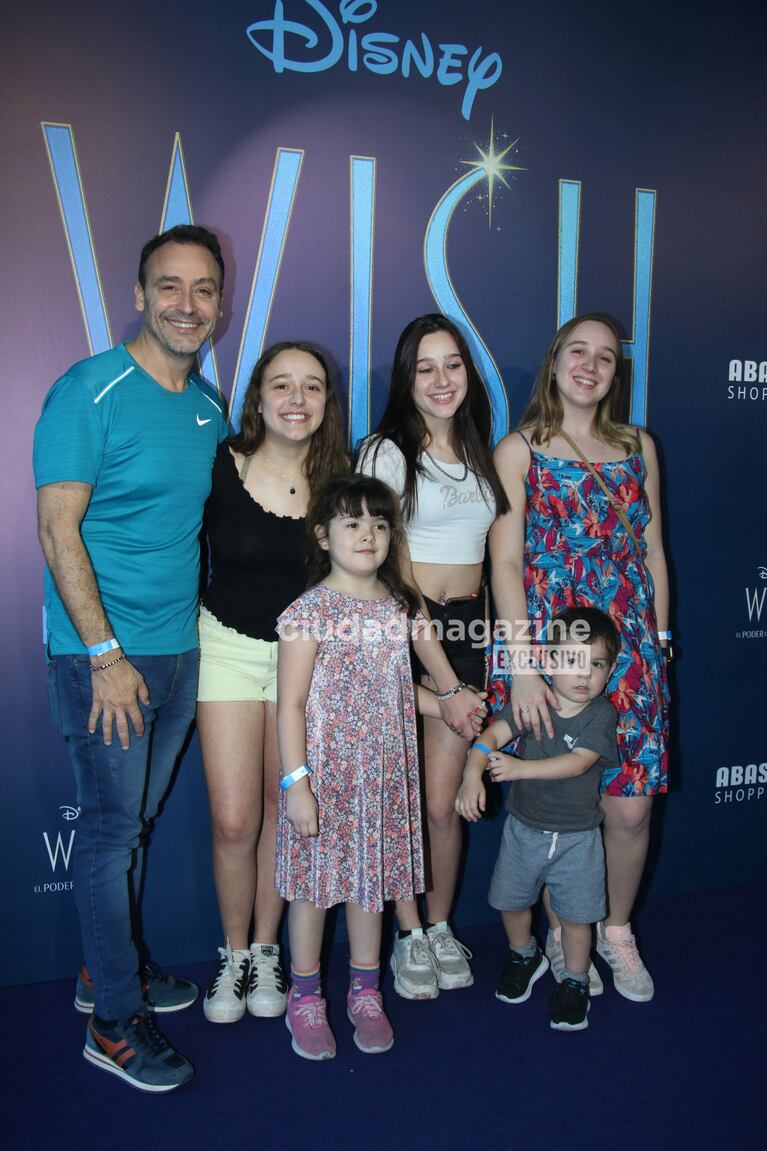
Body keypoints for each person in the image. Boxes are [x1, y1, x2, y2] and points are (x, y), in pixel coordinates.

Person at [33, 224, 228, 1092]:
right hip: (103, 661)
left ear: (219, 303)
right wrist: (106, 654)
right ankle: (112, 1022)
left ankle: (104, 971)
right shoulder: (90, 389)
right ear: (140, 294)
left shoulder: (208, 406)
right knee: (112, 835)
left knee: (132, 827)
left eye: (203, 289)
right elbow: (55, 527)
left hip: (180, 655)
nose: (187, 305)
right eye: (170, 286)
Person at [489, 313, 670, 1003]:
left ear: (614, 372)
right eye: (577, 352)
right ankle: (572, 939)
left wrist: (658, 643)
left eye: (603, 357)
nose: (589, 366)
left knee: (626, 810)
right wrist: (523, 663)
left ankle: (614, 932)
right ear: (554, 360)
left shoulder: (636, 446)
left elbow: (652, 554)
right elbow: (504, 560)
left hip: (626, 651)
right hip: (549, 651)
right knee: (557, 807)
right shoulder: (518, 449)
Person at [197, 341, 348, 1024]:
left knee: (277, 814)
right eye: (281, 385)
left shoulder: (341, 480)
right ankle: (231, 956)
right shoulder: (219, 466)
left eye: (311, 387)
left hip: (302, 666)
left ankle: (265, 951)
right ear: (257, 397)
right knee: (235, 819)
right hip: (224, 649)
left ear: (326, 402)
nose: (295, 399)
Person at [357, 314, 507, 999]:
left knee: (442, 806)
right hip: (400, 636)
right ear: (405, 377)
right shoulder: (386, 452)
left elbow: (498, 562)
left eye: (452, 364)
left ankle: (438, 924)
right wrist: (445, 680)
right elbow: (392, 578)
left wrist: (483, 661)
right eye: (425, 367)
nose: (441, 380)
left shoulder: (483, 452)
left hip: (468, 632)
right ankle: (407, 931)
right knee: (399, 799)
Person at [276, 474, 443, 1059]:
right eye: (351, 523)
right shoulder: (308, 611)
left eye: (378, 522)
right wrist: (297, 784)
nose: (368, 534)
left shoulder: (401, 608)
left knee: (371, 889)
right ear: (323, 536)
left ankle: (365, 992)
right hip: (324, 778)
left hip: (383, 781)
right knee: (315, 891)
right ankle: (304, 998)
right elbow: (291, 704)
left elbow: (401, 689)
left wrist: (448, 702)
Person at [457, 607, 620, 1031]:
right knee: (511, 902)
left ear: (610, 670)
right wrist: (471, 773)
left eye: (596, 664)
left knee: (578, 918)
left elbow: (578, 762)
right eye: (571, 661)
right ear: (548, 662)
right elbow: (491, 737)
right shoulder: (533, 703)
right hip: (524, 830)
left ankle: (575, 981)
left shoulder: (602, 714)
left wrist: (517, 769)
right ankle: (524, 954)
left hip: (578, 839)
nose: (584, 675)